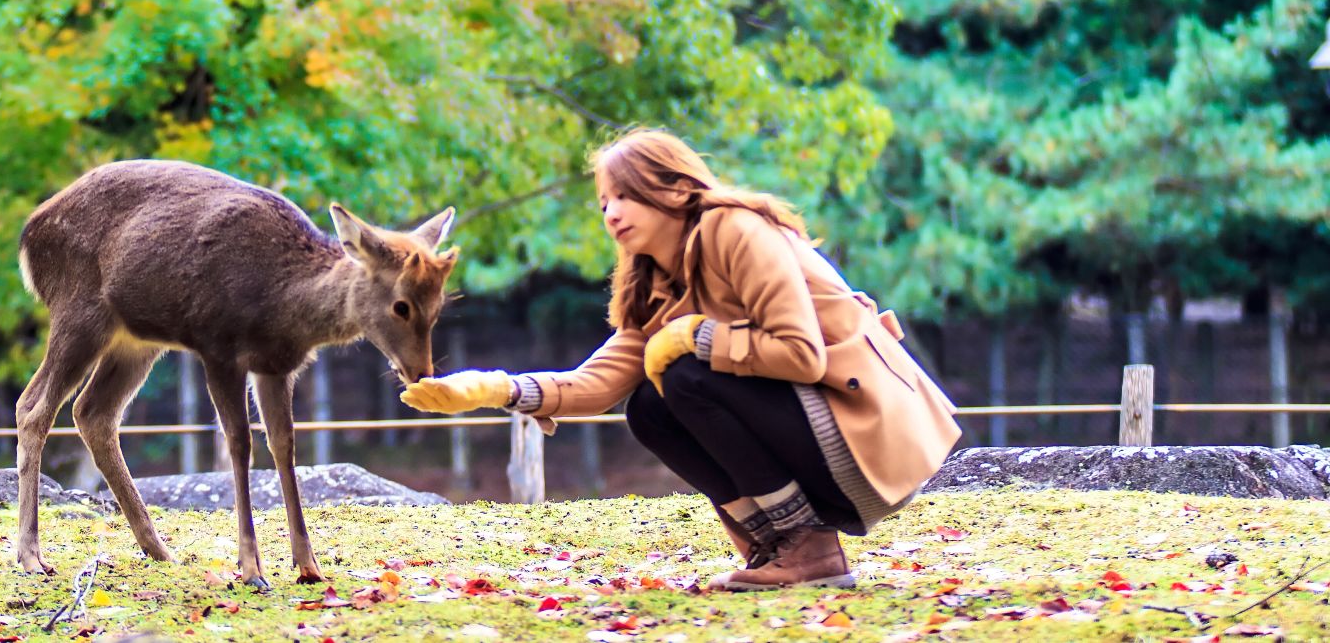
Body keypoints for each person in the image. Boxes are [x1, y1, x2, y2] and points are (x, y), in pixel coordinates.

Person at [400, 129, 960, 590]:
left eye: (626, 195)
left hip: (867, 435)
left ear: (671, 188)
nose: (611, 214)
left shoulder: (736, 229)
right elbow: (597, 383)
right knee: (648, 406)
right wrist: (492, 389)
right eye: (603, 203)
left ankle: (810, 549)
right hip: (820, 439)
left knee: (685, 375)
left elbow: (802, 356)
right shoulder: (652, 283)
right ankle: (778, 544)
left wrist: (700, 335)